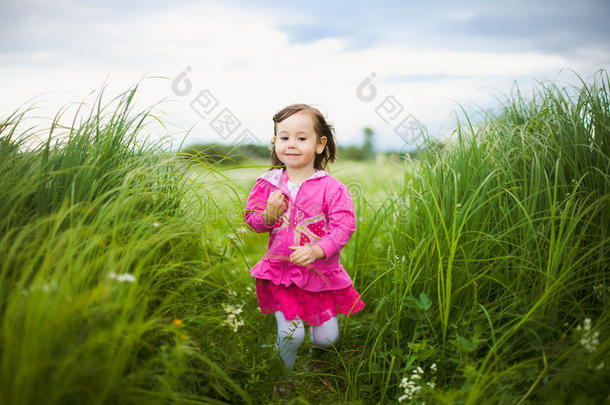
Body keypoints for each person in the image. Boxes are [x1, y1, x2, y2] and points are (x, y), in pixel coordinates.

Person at [243, 103, 365, 375]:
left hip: (320, 275)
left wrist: (319, 249)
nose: (292, 144)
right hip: (281, 274)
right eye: (284, 137)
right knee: (291, 335)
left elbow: (344, 226)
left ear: (320, 144)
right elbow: (253, 220)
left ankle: (315, 360)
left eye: (301, 138)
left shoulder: (332, 188)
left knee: (326, 339)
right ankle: (282, 377)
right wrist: (270, 213)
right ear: (275, 142)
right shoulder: (268, 184)